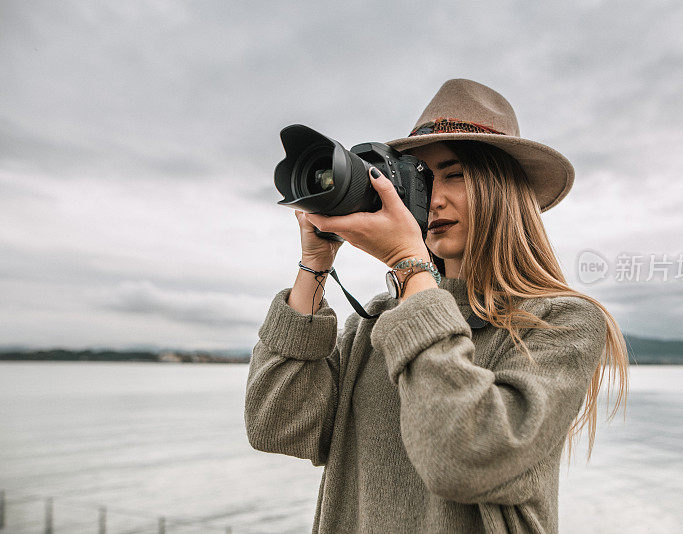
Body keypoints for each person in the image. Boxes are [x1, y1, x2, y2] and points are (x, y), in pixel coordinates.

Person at [245, 78, 629, 533]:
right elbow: (278, 425)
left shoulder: (560, 321)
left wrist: (409, 266)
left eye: (455, 174)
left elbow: (466, 459)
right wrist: (315, 265)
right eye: (422, 179)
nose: (435, 198)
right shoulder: (378, 322)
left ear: (502, 190)